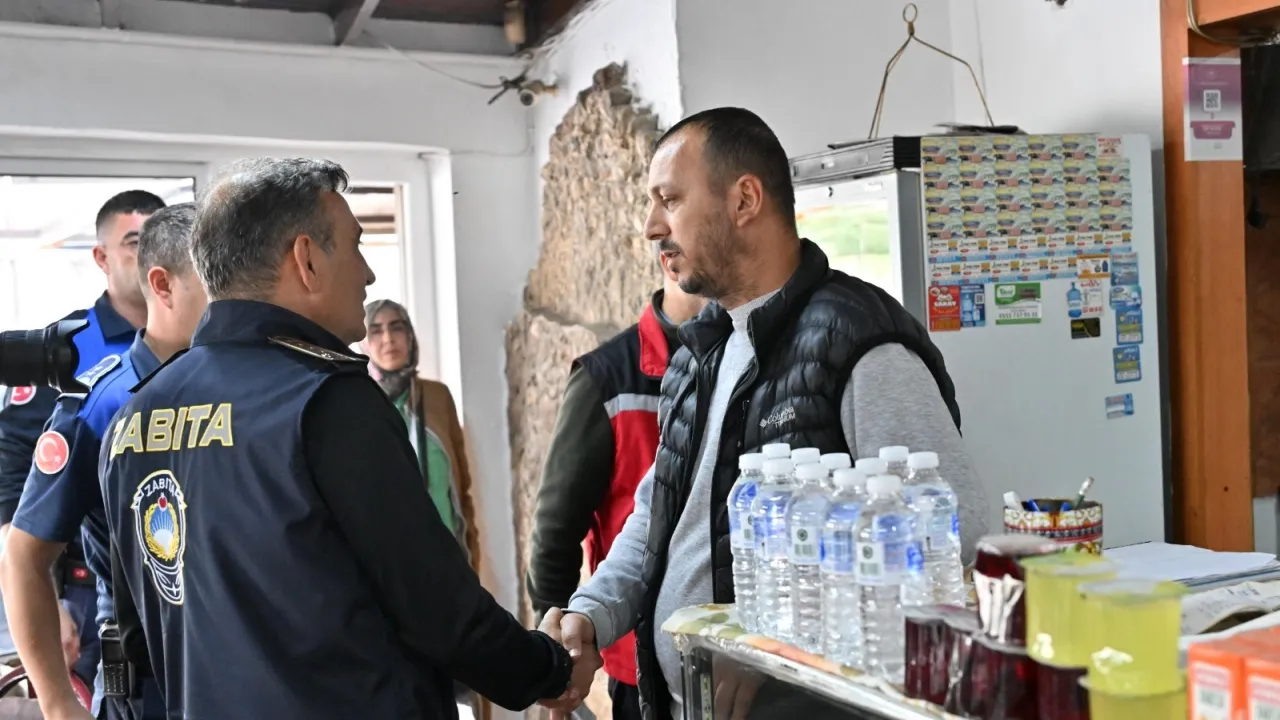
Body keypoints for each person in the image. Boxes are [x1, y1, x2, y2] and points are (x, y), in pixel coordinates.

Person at [97, 157, 593, 718]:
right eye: (355, 246)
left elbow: (137, 636)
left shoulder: (135, 417)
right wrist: (549, 669)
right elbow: (437, 608)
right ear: (306, 260)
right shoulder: (325, 399)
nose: (368, 273)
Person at [545, 108, 990, 720]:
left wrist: (780, 650)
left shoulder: (859, 343)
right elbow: (656, 520)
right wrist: (590, 614)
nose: (651, 227)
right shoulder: (700, 352)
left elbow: (951, 537)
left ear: (744, 200)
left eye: (669, 200)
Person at [0, 204, 203, 720]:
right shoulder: (97, 389)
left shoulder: (240, 385)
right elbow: (23, 551)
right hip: (134, 659)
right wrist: (57, 703)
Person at [527, 254, 706, 720]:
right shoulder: (607, 379)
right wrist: (559, 659)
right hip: (639, 661)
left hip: (730, 659)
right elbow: (555, 531)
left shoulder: (741, 359)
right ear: (669, 260)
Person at [360, 298, 489, 720]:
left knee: (457, 681)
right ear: (365, 343)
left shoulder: (435, 397)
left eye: (397, 327)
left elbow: (461, 490)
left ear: (411, 337)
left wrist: (470, 560)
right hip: (391, 575)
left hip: (446, 566)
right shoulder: (357, 404)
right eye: (376, 330)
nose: (388, 338)